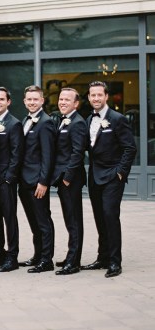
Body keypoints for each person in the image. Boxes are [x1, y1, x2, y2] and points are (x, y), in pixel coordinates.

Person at [83, 81, 136, 278]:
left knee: (110, 216)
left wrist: (121, 172)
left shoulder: (117, 118)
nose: (96, 98)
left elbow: (130, 148)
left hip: (113, 176)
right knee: (99, 217)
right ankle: (102, 257)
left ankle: (115, 262)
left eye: (99, 95)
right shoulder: (88, 119)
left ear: (106, 97)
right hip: (94, 177)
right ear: (88, 98)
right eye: (92, 95)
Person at [17, 85, 57, 273]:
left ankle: (46, 259)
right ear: (24, 101)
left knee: (43, 221)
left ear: (42, 100)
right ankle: (38, 254)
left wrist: (43, 182)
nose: (32, 102)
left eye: (35, 99)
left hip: (37, 182)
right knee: (33, 221)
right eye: (29, 99)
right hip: (24, 181)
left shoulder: (46, 122)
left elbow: (48, 156)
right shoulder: (26, 119)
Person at [51, 87, 88, 276]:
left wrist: (66, 179)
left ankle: (73, 262)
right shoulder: (63, 120)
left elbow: (77, 153)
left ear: (76, 103)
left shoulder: (78, 123)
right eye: (61, 99)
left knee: (74, 220)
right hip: (62, 180)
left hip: (71, 181)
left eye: (67, 100)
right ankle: (71, 256)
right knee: (68, 219)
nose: (62, 102)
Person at [0, 87, 24, 272]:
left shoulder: (14, 124)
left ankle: (12, 256)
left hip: (6, 180)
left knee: (9, 218)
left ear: (8, 102)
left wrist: (9, 177)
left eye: (2, 99)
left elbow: (17, 153)